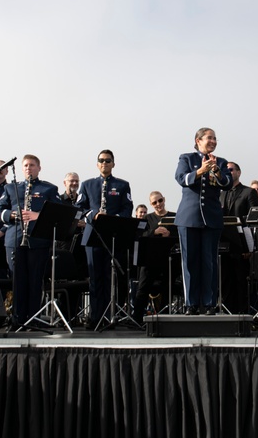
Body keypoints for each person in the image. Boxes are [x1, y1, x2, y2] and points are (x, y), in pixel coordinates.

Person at [0, 155, 60, 328]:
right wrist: (12, 215)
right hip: (14, 240)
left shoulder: (49, 189)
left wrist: (38, 216)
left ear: (39, 168)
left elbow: (59, 212)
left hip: (38, 241)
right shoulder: (11, 188)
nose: (28, 168)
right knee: (18, 280)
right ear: (22, 168)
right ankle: (17, 317)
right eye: (25, 165)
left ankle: (34, 317)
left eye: (32, 165)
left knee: (35, 280)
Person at [174, 128, 231, 315]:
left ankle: (209, 303)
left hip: (211, 218)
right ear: (198, 140)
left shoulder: (221, 162)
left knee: (210, 262)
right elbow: (181, 178)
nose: (213, 141)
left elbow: (228, 183)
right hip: (189, 217)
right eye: (209, 138)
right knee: (189, 262)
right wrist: (200, 171)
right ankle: (190, 303)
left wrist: (217, 172)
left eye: (215, 138)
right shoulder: (186, 158)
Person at [77, 149, 133, 327]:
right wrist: (94, 214)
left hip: (112, 236)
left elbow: (127, 209)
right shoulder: (87, 184)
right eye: (101, 160)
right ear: (97, 164)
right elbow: (80, 208)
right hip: (92, 235)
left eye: (108, 160)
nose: (104, 163)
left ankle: (110, 316)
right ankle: (95, 317)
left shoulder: (123, 185)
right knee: (95, 279)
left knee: (110, 278)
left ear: (113, 164)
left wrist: (112, 219)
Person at [219, 161, 258, 313]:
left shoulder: (248, 192)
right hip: (223, 244)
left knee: (240, 281)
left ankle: (242, 315)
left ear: (238, 172)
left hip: (241, 243)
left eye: (231, 169)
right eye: (225, 170)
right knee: (225, 281)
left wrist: (248, 245)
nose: (228, 172)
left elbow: (254, 220)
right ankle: (227, 314)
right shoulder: (221, 192)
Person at [131, 190, 177, 323]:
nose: (158, 204)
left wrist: (170, 234)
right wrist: (154, 232)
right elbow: (139, 235)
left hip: (168, 260)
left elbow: (180, 237)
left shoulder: (174, 217)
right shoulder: (147, 218)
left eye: (160, 201)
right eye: (155, 202)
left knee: (168, 288)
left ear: (164, 199)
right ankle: (137, 319)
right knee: (143, 288)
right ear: (151, 204)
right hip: (149, 260)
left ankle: (165, 317)